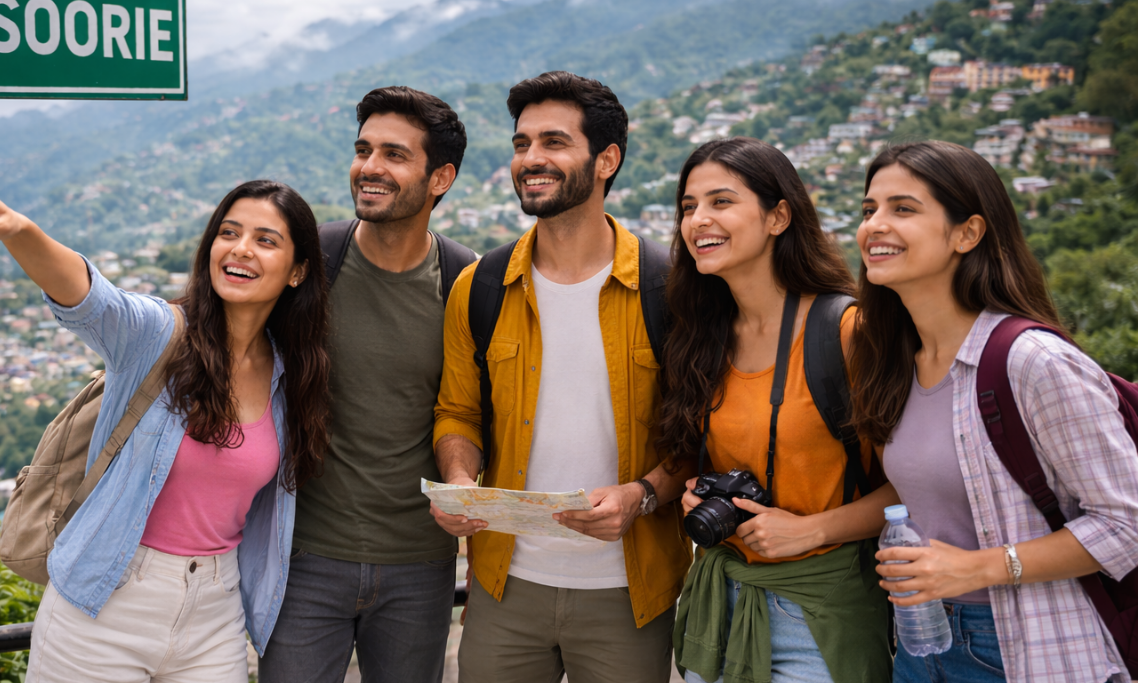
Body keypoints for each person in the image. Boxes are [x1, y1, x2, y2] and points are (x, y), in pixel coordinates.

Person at [0, 170, 331, 683]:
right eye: (228, 233)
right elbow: (91, 298)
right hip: (105, 603)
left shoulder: (290, 373)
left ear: (297, 271)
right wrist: (18, 231)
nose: (240, 250)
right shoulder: (158, 335)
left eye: (265, 240)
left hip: (215, 614)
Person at [431, 71, 689, 683]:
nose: (531, 159)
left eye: (553, 142)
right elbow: (458, 412)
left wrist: (642, 495)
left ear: (606, 160)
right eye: (522, 143)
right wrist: (460, 480)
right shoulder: (481, 287)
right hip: (503, 586)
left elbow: (700, 433)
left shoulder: (671, 290)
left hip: (629, 592)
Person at [853, 141, 1138, 683]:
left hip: (1023, 645)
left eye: (903, 209)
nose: (874, 226)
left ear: (968, 233)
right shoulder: (895, 360)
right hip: (921, 640)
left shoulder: (1032, 361)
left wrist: (974, 569)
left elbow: (1127, 522)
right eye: (870, 210)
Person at [260, 86, 475, 683]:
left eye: (394, 154)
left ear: (440, 178)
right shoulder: (310, 265)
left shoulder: (465, 283)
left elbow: (470, 409)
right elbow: (216, 325)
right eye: (363, 149)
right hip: (304, 557)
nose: (370, 168)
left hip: (420, 565)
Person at [660, 137, 894, 683]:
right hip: (719, 603)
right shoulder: (700, 338)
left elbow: (917, 488)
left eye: (721, 202)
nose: (698, 220)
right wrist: (700, 491)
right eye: (688, 207)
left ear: (778, 216)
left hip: (817, 615)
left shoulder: (844, 332)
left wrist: (811, 531)